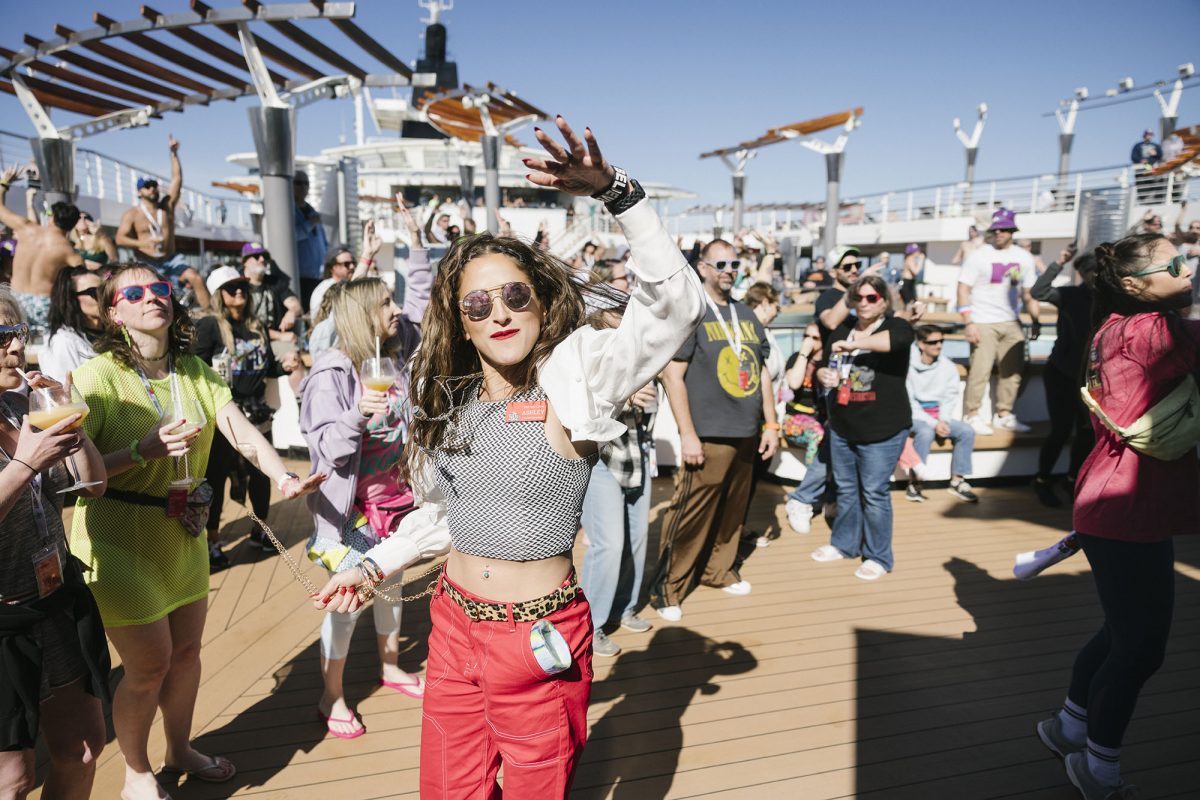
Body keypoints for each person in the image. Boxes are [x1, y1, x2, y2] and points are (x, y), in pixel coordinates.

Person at [312, 117, 704, 797]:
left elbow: (674, 309)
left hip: (539, 635)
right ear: (462, 323)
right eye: (478, 304)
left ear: (541, 302)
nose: (499, 312)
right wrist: (373, 564)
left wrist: (616, 192)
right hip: (452, 624)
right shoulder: (451, 399)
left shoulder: (577, 378)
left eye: (515, 294)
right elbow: (450, 515)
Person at [68, 263, 324, 800]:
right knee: (149, 665)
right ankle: (136, 771)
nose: (151, 297)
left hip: (181, 532)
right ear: (114, 313)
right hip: (118, 536)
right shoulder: (95, 377)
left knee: (186, 655)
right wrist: (142, 450)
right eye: (134, 293)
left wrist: (282, 476)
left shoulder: (194, 370)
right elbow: (79, 476)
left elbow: (239, 429)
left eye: (158, 288)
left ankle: (179, 748)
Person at [1036, 234, 1197, 800]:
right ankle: (1098, 767)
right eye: (1175, 264)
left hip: (1112, 502)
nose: (1188, 268)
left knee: (1121, 632)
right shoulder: (1153, 332)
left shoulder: (1114, 327)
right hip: (1127, 508)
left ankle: (1069, 727)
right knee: (1141, 649)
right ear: (1134, 284)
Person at [300, 258, 431, 740]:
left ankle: (390, 666)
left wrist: (416, 246)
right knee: (349, 603)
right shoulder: (331, 372)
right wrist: (356, 414)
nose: (396, 310)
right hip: (351, 513)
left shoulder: (392, 354)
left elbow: (422, 304)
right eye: (385, 303)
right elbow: (325, 451)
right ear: (361, 314)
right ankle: (330, 696)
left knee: (390, 585)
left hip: (397, 500)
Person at [0, 291, 109, 800]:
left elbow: (95, 485)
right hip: (5, 620)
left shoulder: (19, 408)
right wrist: (25, 464)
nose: (15, 347)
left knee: (83, 747)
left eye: (18, 334)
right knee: (13, 780)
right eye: (2, 337)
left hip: (55, 598)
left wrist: (69, 419)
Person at [652, 236, 779, 620]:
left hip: (747, 431)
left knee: (732, 512)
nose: (729, 271)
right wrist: (688, 434)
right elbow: (672, 377)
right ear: (703, 268)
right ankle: (668, 589)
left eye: (734, 264)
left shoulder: (747, 315)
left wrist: (771, 424)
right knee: (690, 514)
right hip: (708, 434)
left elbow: (762, 371)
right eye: (721, 265)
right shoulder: (693, 313)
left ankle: (718, 571)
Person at [194, 266, 304, 571]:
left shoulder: (256, 326)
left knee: (260, 473)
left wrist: (283, 366)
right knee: (216, 476)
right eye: (232, 288)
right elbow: (194, 367)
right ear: (219, 294)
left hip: (257, 410)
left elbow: (265, 367)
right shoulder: (210, 326)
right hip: (224, 415)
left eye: (242, 286)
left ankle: (261, 529)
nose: (240, 292)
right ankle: (213, 540)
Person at [810, 274, 913, 581]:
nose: (864, 303)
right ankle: (844, 545)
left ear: (884, 301)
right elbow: (824, 364)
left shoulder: (896, 326)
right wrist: (823, 375)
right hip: (843, 425)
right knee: (846, 489)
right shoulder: (843, 329)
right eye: (859, 297)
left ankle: (878, 556)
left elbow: (895, 342)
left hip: (883, 428)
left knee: (874, 493)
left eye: (872, 298)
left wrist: (854, 345)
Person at [957, 208, 1041, 435]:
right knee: (980, 371)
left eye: (1004, 229)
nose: (999, 233)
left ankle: (1004, 414)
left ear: (1012, 231)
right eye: (996, 229)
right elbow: (963, 289)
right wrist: (968, 322)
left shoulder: (1024, 258)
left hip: (1012, 322)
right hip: (982, 321)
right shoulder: (978, 255)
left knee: (1012, 373)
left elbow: (1028, 294)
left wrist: (1036, 320)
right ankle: (972, 415)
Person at [1030, 245, 1094, 507]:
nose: (1094, 274)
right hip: (1062, 373)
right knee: (1061, 430)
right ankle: (1042, 480)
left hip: (1090, 379)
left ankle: (1071, 480)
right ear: (1081, 273)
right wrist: (1059, 262)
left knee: (1087, 432)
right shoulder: (1069, 295)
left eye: (1099, 270)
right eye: (1088, 270)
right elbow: (1038, 292)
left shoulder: (1112, 300)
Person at [114, 136, 210, 309]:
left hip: (171, 258)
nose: (152, 188)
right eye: (147, 186)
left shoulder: (167, 206)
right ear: (139, 192)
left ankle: (212, 316)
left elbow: (177, 180)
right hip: (148, 262)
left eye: (154, 185)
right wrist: (142, 243)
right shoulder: (132, 214)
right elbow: (120, 238)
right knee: (159, 294)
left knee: (196, 277)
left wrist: (174, 154)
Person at [0, 166, 83, 333]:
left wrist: (4, 184)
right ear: (72, 226)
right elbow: (83, 284)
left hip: (17, 298)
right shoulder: (69, 253)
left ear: (51, 218)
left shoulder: (26, 229)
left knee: (15, 342)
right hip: (44, 304)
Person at [906, 325, 978, 503]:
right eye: (933, 342)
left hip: (939, 416)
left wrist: (943, 420)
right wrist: (934, 423)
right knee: (925, 432)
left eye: (941, 341)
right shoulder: (907, 366)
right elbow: (910, 403)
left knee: (966, 431)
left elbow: (949, 397)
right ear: (921, 344)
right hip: (915, 416)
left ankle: (957, 481)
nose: (939, 345)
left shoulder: (947, 366)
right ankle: (915, 482)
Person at [783, 323, 829, 534]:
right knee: (819, 435)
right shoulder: (796, 358)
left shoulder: (827, 363)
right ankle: (805, 497)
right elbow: (793, 383)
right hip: (794, 421)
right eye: (806, 336)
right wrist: (803, 353)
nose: (809, 340)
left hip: (819, 421)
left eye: (815, 338)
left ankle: (824, 496)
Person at [39, 267, 103, 384]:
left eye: (105, 290)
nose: (104, 297)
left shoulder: (118, 333)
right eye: (94, 292)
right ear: (71, 299)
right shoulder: (62, 342)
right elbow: (64, 391)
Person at [240, 243, 304, 345]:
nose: (262, 259)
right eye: (256, 256)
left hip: (276, 341)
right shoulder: (238, 286)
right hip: (249, 340)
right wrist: (279, 336)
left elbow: (295, 304)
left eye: (265, 256)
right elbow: (244, 324)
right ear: (245, 262)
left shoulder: (274, 282)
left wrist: (291, 312)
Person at [293, 170, 330, 310]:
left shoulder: (311, 210)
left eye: (306, 183)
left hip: (317, 276)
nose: (303, 187)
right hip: (301, 278)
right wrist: (309, 224)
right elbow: (291, 237)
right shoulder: (288, 210)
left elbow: (323, 242)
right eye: (298, 183)